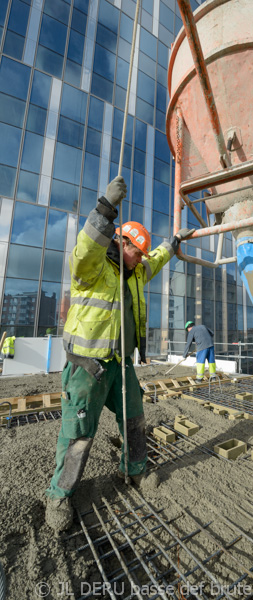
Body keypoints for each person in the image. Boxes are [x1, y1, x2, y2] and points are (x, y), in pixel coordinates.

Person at [45, 176, 194, 531]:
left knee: (134, 418)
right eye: (136, 251)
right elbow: (83, 252)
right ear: (120, 241)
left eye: (142, 254)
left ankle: (135, 470)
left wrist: (171, 245)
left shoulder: (136, 271)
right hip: (88, 367)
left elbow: (154, 261)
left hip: (120, 365)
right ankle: (59, 495)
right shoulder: (94, 268)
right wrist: (104, 210)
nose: (141, 258)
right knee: (79, 431)